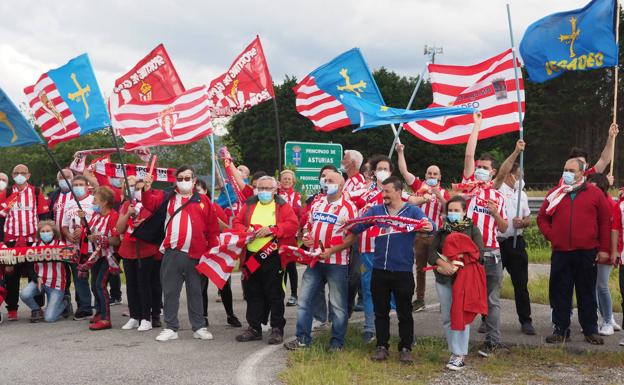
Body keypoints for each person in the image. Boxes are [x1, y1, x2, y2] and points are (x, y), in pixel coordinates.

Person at [345, 176, 434, 363]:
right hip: (379, 269)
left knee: (404, 311)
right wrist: (347, 224)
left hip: (402, 271)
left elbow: (431, 225)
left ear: (399, 192)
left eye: (387, 191)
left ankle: (405, 347)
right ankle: (382, 345)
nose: (383, 194)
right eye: (382, 191)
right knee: (381, 311)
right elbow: (359, 225)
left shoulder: (413, 211)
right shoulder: (377, 210)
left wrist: (429, 226)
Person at [461, 112, 524, 357]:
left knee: (493, 301)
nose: (479, 171)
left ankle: (492, 341)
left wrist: (517, 152)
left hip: (492, 253)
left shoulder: (496, 193)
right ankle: (461, 341)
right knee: (466, 297)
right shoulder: (469, 188)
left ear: (492, 172)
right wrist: (476, 126)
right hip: (470, 251)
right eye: (478, 168)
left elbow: (503, 227)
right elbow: (468, 155)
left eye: (484, 168)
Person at [537, 159, 611, 345]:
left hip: (586, 252)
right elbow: (542, 218)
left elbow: (604, 222)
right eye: (565, 169)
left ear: (582, 173)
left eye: (571, 170)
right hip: (561, 252)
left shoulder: (594, 193)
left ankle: (590, 330)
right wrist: (551, 235)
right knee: (560, 291)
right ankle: (560, 330)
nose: (566, 173)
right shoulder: (555, 194)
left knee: (586, 292)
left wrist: (603, 249)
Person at [142, 165, 219, 342]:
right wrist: (147, 187)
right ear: (176, 180)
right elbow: (150, 203)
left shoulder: (204, 200)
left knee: (195, 292)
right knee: (170, 292)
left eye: (187, 178)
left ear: (194, 180)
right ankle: (171, 327)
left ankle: (198, 326)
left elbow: (212, 228)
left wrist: (211, 252)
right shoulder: (168, 197)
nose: (184, 181)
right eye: (181, 178)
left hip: (196, 253)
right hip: (173, 252)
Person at [284, 171, 357, 351]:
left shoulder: (349, 207)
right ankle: (302, 339)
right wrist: (307, 237)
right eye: (325, 180)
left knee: (338, 305)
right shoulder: (317, 202)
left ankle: (337, 343)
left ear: (340, 186)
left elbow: (352, 237)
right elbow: (308, 225)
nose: (326, 183)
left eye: (331, 180)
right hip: (314, 260)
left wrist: (331, 250)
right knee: (304, 301)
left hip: (336, 263)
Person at [233, 176, 298, 344]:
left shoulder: (282, 205)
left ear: (275, 189)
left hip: (273, 256)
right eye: (260, 188)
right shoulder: (249, 204)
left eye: (267, 188)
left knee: (275, 293)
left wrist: (273, 230)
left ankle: (277, 328)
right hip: (252, 256)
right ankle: (254, 327)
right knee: (252, 292)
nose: (263, 192)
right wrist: (246, 230)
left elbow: (292, 225)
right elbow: (237, 222)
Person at [429, 196, 485, 371]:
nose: (452, 214)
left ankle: (459, 354)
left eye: (456, 211)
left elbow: (479, 254)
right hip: (443, 279)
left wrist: (459, 262)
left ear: (464, 211)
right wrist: (443, 265)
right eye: (450, 211)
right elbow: (431, 253)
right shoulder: (442, 231)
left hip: (464, 281)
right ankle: (453, 351)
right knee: (447, 317)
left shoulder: (473, 230)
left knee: (461, 315)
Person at [396, 143, 450, 312]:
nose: (432, 175)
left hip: (437, 235)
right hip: (419, 235)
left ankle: (445, 300)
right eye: (429, 173)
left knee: (440, 268)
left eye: (435, 174)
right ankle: (420, 300)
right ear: (425, 175)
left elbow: (450, 209)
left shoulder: (444, 192)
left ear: (440, 176)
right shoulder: (420, 187)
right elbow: (404, 172)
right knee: (419, 269)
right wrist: (400, 152)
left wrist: (439, 195)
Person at [0, 164, 50, 321]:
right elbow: (1, 218)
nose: (20, 175)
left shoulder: (36, 192)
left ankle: (37, 308)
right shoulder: (6, 192)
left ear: (28, 175)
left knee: (34, 273)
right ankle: (12, 309)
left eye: (23, 173)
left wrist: (43, 240)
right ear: (12, 175)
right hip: (11, 241)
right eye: (16, 173)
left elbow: (43, 218)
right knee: (11, 276)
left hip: (32, 240)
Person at [195, 179, 242, 328]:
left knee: (223, 284)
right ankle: (203, 316)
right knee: (201, 285)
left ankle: (230, 314)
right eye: (195, 191)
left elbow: (225, 228)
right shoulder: (188, 207)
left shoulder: (214, 206)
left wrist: (212, 218)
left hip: (216, 250)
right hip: (199, 250)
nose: (198, 193)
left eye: (200, 190)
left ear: (206, 191)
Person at [116, 176, 160, 331]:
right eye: (136, 188)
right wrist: (128, 213)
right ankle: (134, 316)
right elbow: (119, 228)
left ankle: (146, 318)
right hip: (128, 249)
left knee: (144, 284)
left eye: (141, 188)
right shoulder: (127, 204)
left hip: (145, 248)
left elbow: (157, 226)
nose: (138, 191)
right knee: (131, 284)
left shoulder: (152, 205)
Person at [496, 163, 535, 335]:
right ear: (509, 175)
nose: (521, 180)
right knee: (492, 283)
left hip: (516, 242)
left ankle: (526, 320)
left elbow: (528, 218)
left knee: (521, 283)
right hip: (498, 242)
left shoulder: (522, 195)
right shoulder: (498, 191)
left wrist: (523, 223)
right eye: (519, 176)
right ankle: (486, 319)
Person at [79, 186, 120, 331]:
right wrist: (83, 220)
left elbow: (116, 240)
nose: (93, 203)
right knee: (94, 285)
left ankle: (105, 318)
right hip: (97, 255)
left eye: (95, 200)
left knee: (100, 285)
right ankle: (99, 312)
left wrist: (101, 238)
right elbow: (90, 231)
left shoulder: (113, 216)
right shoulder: (97, 216)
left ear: (104, 202)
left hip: (108, 256)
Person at [586, 173, 621, 336]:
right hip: (593, 249)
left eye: (592, 186)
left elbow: (611, 230)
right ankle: (601, 318)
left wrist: (609, 251)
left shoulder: (608, 204)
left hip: (604, 251)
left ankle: (608, 320)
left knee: (601, 286)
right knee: (593, 287)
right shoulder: (593, 202)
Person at [19, 220, 69, 323]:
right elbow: (30, 267)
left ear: (53, 232)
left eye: (48, 231)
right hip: (40, 281)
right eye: (43, 231)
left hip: (57, 284)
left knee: (50, 318)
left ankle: (65, 303)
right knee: (24, 294)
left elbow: (67, 268)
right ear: (39, 233)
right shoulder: (34, 245)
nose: (45, 233)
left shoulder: (61, 244)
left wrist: (66, 286)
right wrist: (36, 279)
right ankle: (37, 310)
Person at [62, 175, 95, 320]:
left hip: (90, 246)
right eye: (75, 185)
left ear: (87, 185)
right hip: (74, 247)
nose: (78, 187)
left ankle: (100, 306)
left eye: (81, 184)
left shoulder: (93, 201)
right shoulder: (69, 203)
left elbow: (97, 221)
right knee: (79, 278)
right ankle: (85, 307)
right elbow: (63, 225)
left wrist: (84, 230)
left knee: (96, 279)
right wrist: (68, 235)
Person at [48, 169, 75, 318]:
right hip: (57, 243)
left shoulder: (78, 194)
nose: (64, 179)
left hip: (73, 242)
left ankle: (84, 306)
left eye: (68, 176)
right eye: (61, 177)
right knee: (61, 275)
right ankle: (65, 302)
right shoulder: (53, 196)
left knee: (78, 274)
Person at [278, 170, 301, 307]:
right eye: (284, 179)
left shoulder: (296, 195)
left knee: (291, 265)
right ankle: (280, 293)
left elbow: (298, 212)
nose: (286, 181)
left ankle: (294, 294)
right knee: (280, 265)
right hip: (279, 233)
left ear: (293, 181)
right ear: (280, 181)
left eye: (289, 179)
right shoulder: (276, 194)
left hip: (291, 234)